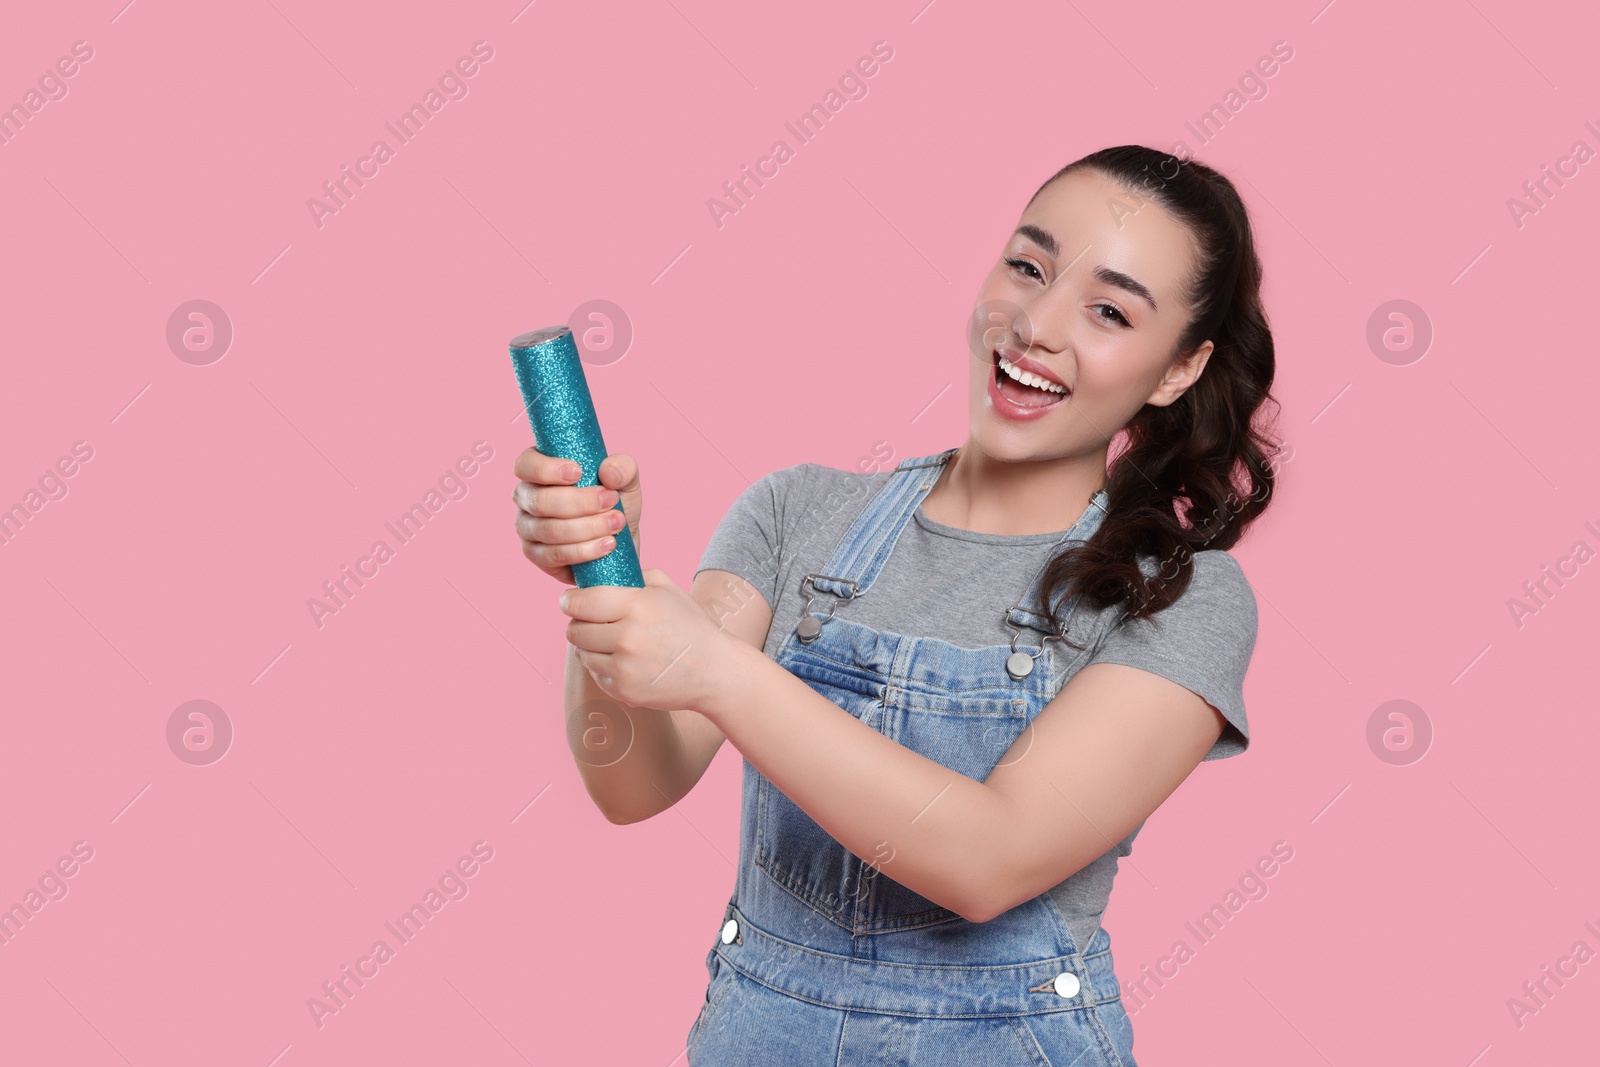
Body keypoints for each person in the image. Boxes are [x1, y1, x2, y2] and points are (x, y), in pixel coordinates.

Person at [512, 144, 1282, 1065]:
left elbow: (986, 859)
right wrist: (602, 564)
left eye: (1109, 311)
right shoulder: (797, 512)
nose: (1035, 323)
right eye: (1028, 267)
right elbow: (635, 782)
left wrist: (720, 672)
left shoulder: (1181, 596)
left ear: (1175, 370)